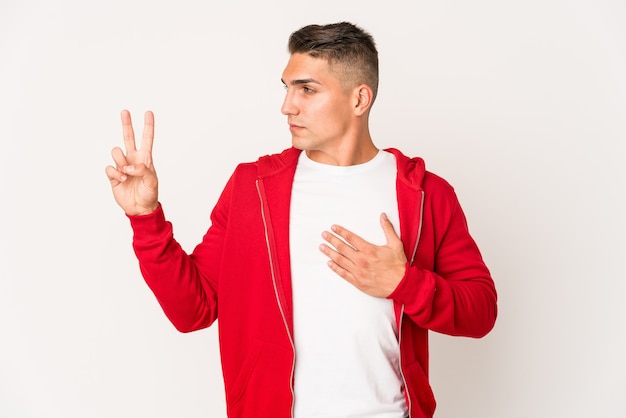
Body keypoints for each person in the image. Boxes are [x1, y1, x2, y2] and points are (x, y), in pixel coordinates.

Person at [105, 21, 497, 418]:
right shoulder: (252, 189)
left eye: (307, 89)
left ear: (359, 99)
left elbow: (481, 311)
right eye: (287, 87)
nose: (287, 106)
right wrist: (145, 218)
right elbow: (194, 309)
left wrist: (404, 282)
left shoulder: (425, 194)